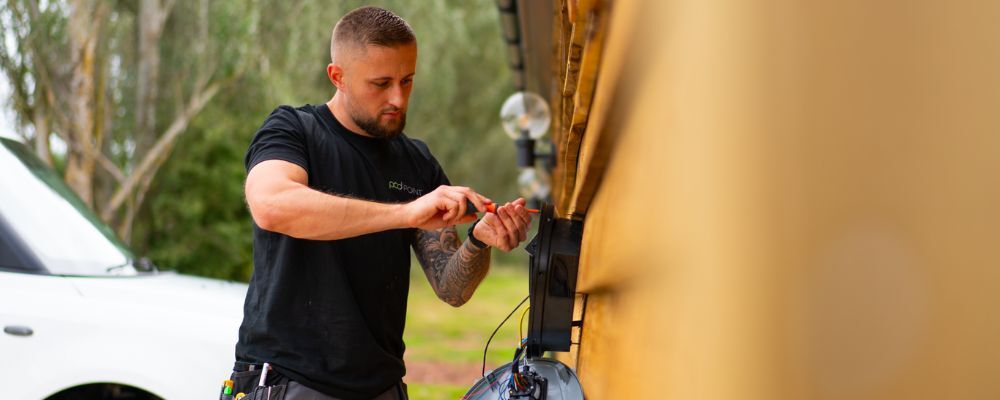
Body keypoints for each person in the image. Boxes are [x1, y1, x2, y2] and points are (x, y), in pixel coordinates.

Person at [228, 6, 533, 400]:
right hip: (292, 381)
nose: (398, 98)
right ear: (337, 76)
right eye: (381, 83)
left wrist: (479, 239)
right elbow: (272, 205)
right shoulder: (293, 130)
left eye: (407, 81)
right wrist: (405, 213)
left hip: (382, 386)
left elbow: (451, 288)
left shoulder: (416, 163)